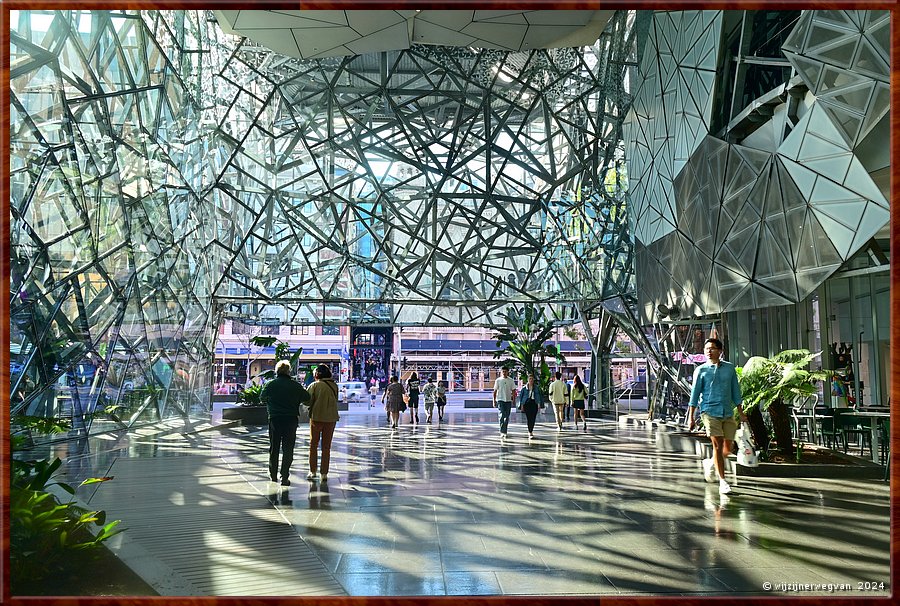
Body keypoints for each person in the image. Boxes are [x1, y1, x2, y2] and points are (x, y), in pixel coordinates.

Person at [686, 338, 747, 495]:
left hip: (727, 411)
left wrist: (740, 411)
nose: (708, 351)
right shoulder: (701, 370)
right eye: (706, 348)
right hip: (709, 411)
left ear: (720, 351)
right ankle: (723, 481)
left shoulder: (729, 369)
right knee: (718, 446)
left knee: (728, 448)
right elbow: (694, 395)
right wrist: (691, 417)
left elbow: (735, 391)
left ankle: (711, 465)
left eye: (712, 348)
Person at [260, 360, 310, 486]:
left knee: (274, 447)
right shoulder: (295, 385)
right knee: (288, 448)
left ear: (277, 371)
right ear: (289, 371)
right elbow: (307, 398)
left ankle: (273, 475)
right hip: (290, 419)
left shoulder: (271, 384)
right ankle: (284, 476)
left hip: (275, 419)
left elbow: (262, 397)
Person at [306, 364, 340, 482]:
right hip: (331, 419)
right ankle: (324, 473)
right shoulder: (334, 385)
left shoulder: (314, 385)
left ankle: (313, 471)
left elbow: (307, 401)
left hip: (317, 417)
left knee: (313, 445)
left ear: (317, 374)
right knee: (326, 447)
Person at [493, 367, 517, 439]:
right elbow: (494, 391)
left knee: (506, 417)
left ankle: (505, 431)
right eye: (503, 371)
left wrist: (514, 400)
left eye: (505, 371)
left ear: (508, 372)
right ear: (501, 372)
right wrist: (494, 401)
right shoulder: (498, 380)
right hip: (500, 400)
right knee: (501, 416)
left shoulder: (511, 380)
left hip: (508, 400)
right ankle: (502, 431)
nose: (504, 373)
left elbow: (513, 391)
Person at [517, 373, 543, 439]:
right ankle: (530, 431)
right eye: (530, 379)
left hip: (534, 403)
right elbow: (521, 398)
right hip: (527, 403)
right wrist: (522, 405)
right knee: (529, 418)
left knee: (533, 417)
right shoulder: (524, 388)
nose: (531, 380)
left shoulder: (536, 388)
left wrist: (539, 404)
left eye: (532, 379)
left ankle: (531, 429)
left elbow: (538, 396)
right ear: (528, 380)